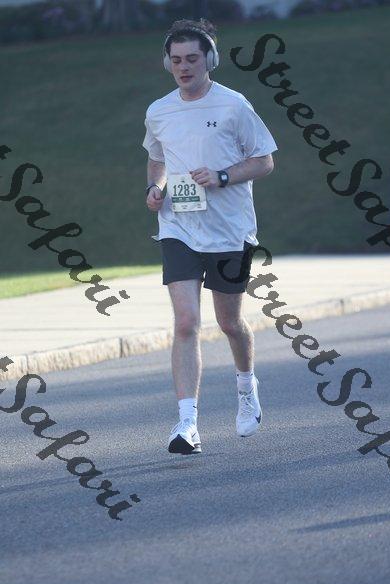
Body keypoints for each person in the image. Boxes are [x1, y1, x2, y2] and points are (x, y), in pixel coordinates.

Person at [142, 18, 278, 455]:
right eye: (176, 60)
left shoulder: (234, 105)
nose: (183, 67)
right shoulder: (159, 111)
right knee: (186, 322)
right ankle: (187, 424)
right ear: (167, 63)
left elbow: (264, 161)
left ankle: (246, 386)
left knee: (229, 323)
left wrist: (221, 176)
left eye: (192, 59)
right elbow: (157, 159)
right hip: (178, 228)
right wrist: (155, 187)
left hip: (230, 231)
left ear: (210, 60)